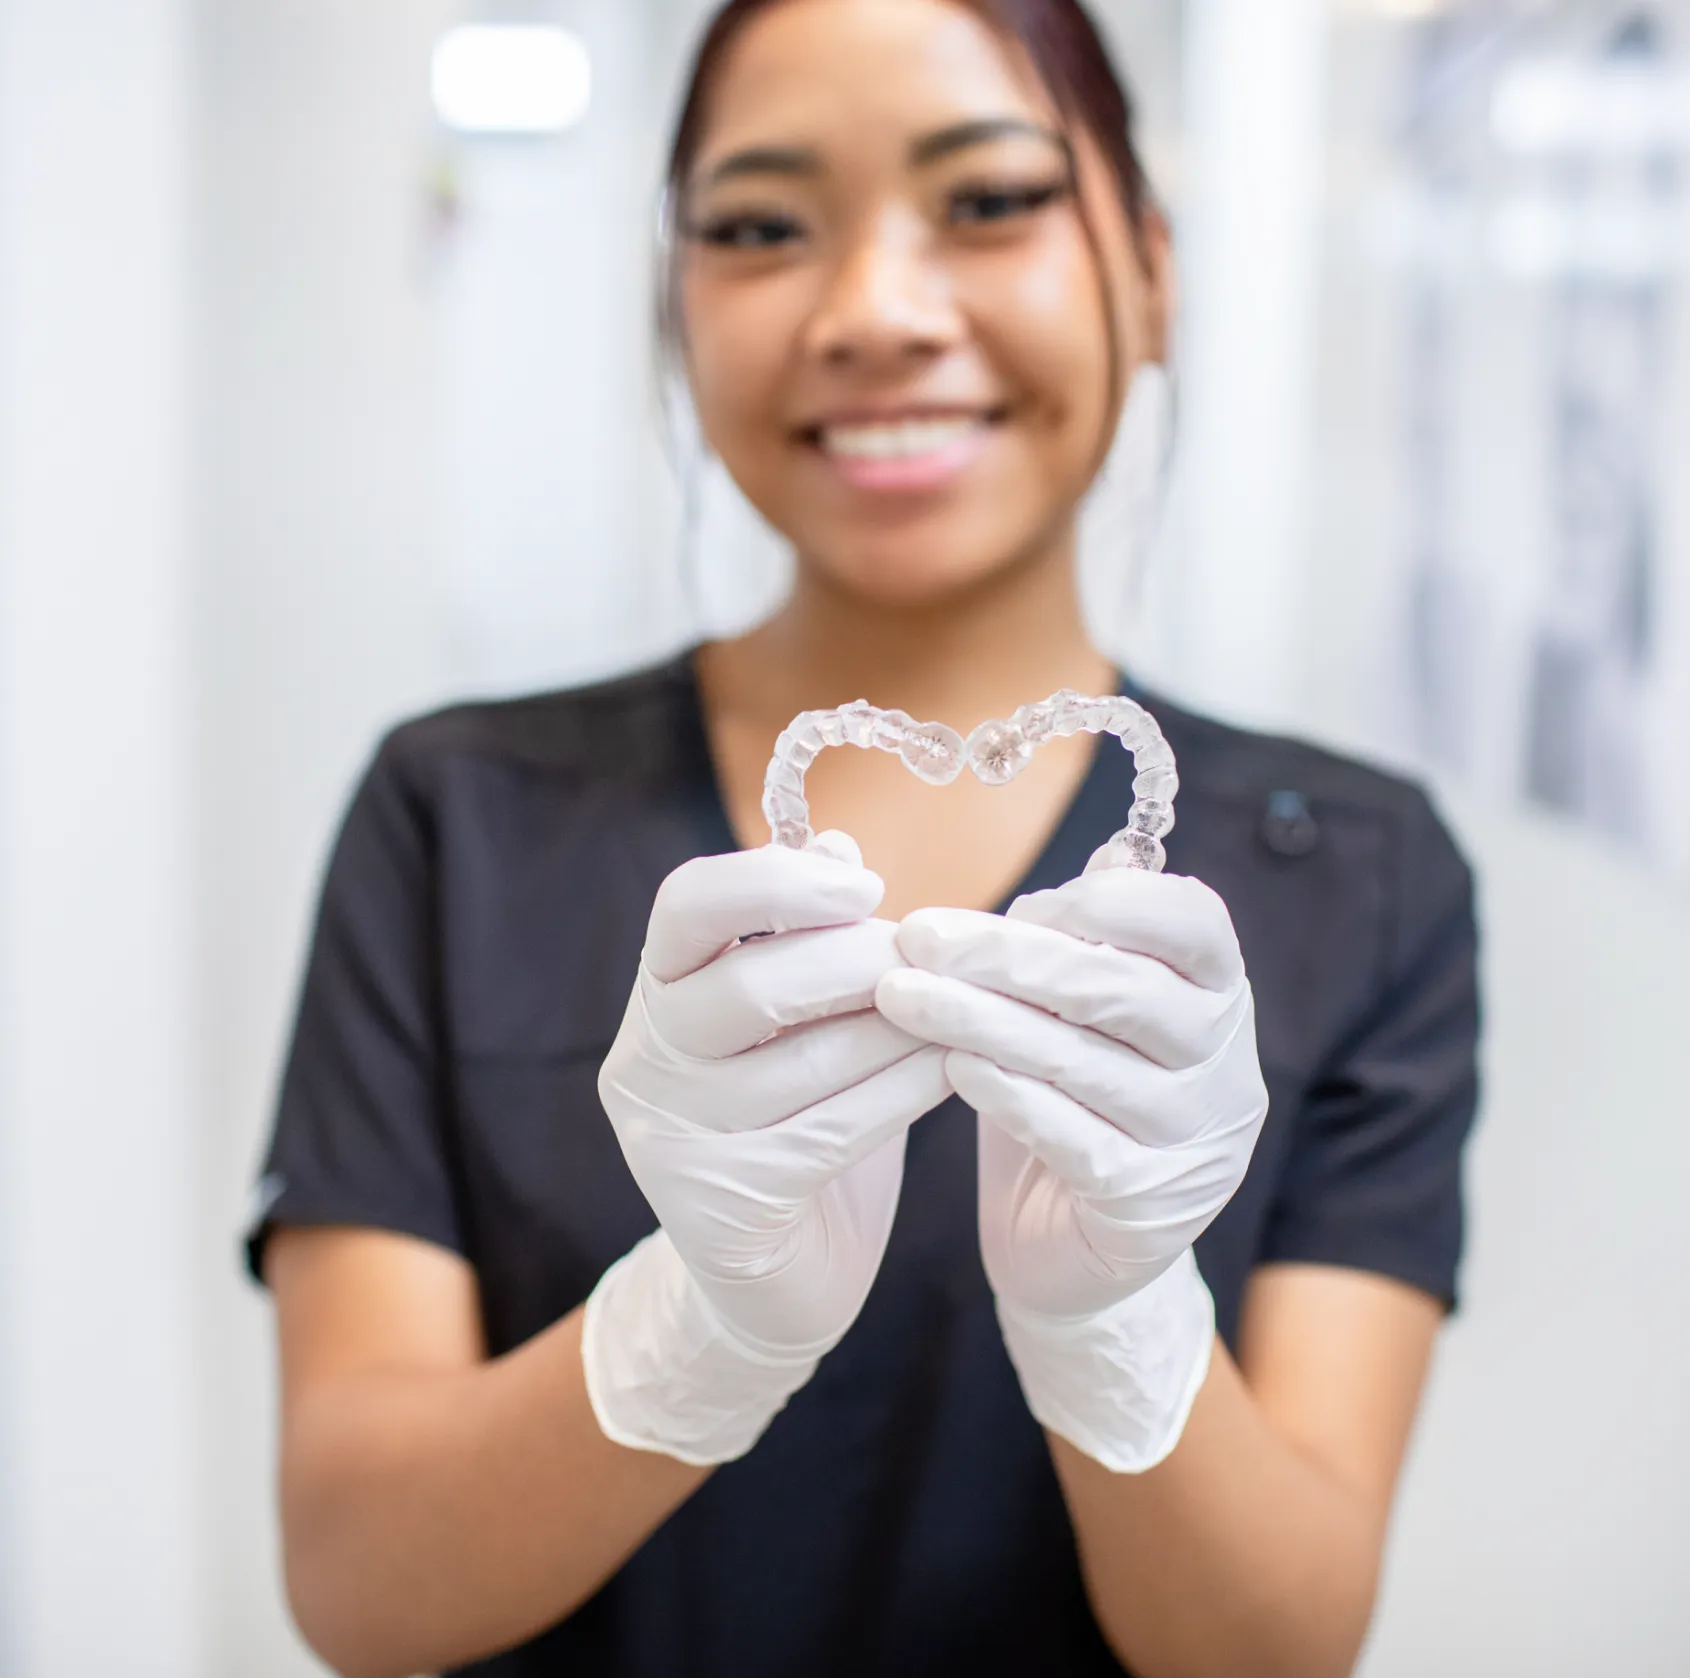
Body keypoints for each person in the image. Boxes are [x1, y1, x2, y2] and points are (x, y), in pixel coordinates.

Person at [248, 2, 1480, 1674]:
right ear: (674, 303)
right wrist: (693, 1328)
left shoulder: (1362, 875)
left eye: (989, 201)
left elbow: (1280, 1644)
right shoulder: (454, 817)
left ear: (1150, 269)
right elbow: (358, 1588)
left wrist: (1117, 1323)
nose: (875, 312)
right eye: (761, 226)